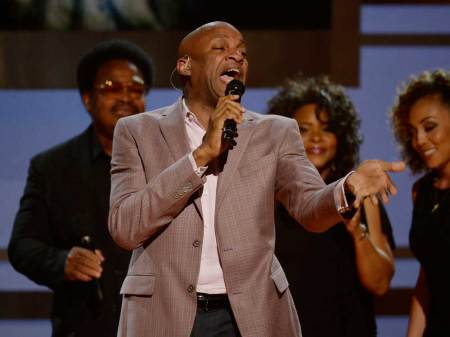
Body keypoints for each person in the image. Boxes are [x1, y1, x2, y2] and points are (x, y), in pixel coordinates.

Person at [108, 21, 404, 337]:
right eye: (221, 48)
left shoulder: (275, 132)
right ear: (185, 65)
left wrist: (345, 188)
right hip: (163, 315)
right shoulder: (136, 132)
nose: (236, 57)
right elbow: (125, 228)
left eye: (242, 53)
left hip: (251, 316)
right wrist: (201, 156)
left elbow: (309, 207)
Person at [8, 40, 154, 337]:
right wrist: (63, 261)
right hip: (85, 324)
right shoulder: (51, 167)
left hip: (158, 324)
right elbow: (22, 246)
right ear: (87, 98)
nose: (126, 97)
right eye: (112, 88)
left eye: (136, 89)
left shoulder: (170, 162)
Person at [268, 75, 396, 337]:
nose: (316, 138)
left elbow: (380, 284)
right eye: (303, 129)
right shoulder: (271, 198)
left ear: (342, 136)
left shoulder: (361, 196)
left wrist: (356, 233)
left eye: (327, 128)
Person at [390, 69, 450, 337]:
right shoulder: (422, 192)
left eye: (429, 127)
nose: (420, 141)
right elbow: (428, 277)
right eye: (413, 132)